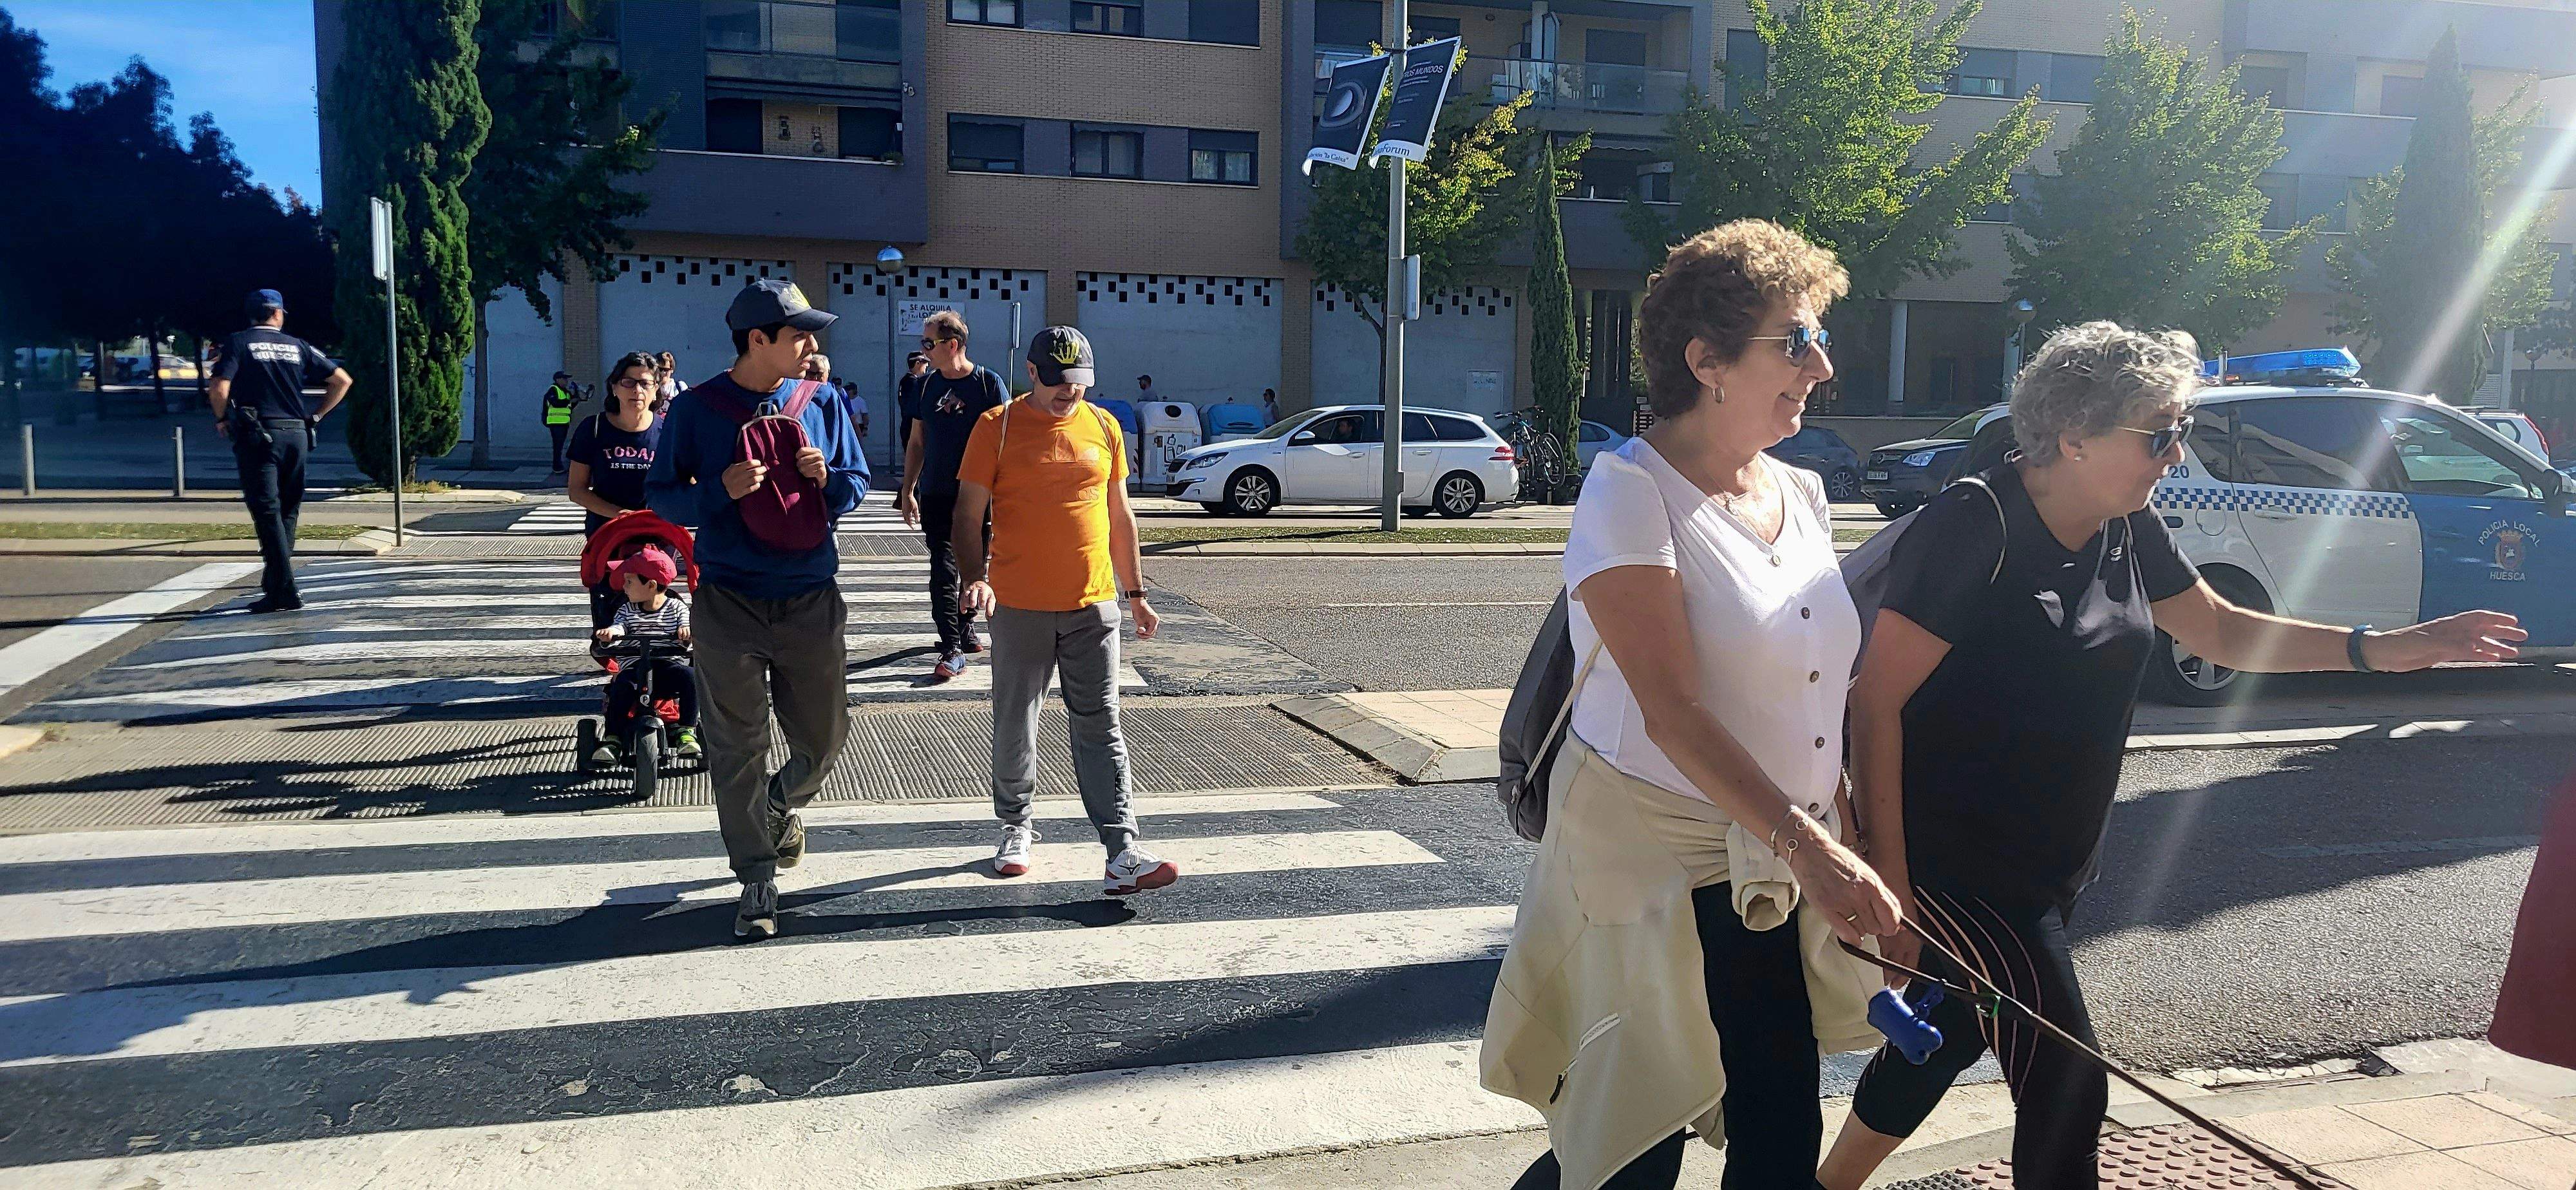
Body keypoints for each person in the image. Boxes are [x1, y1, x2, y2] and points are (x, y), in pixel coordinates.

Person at [1818, 322, 2524, 1190]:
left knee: (1949, 1035)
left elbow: (2220, 629)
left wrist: (2391, 647)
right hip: (1961, 868)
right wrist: (1890, 880)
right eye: (2160, 434)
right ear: (2073, 438)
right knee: (2069, 1084)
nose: (2176, 451)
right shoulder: (1978, 523)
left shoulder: (2123, 518)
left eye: (2179, 429)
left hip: (2051, 863)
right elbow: (1875, 699)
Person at [1481, 220, 1900, 1190]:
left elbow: (1807, 684)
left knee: (1779, 1132)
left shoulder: (1802, 491)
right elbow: (1671, 710)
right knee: (1630, 1143)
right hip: (1654, 863)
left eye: (1818, 338)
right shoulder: (1629, 488)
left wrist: (1846, 827)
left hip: (1767, 862)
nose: (1823, 365)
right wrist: (1817, 847)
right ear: (1706, 359)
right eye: (1795, 341)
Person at [645, 278, 869, 941]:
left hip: (809, 596)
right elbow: (662, 495)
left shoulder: (821, 400)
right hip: (729, 600)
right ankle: (756, 878)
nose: (811, 344)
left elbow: (857, 483)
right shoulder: (699, 409)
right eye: (798, 333)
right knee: (737, 747)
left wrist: (829, 480)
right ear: (757, 340)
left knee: (825, 739)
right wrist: (719, 490)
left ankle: (781, 802)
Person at [956, 326, 1178, 896]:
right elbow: (966, 512)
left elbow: (1120, 515)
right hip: (1021, 605)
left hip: (1094, 604)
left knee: (1101, 725)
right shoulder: (997, 427)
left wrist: (1136, 594)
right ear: (1031, 373)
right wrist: (976, 578)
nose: (1068, 393)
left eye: (1078, 382)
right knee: (1016, 719)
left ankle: (1121, 848)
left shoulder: (1103, 426)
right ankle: (1015, 825)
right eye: (1057, 382)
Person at [208, 288, 354, 614]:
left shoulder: (239, 342)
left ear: (252, 315)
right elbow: (342, 381)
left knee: (267, 512)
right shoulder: (297, 345)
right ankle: (276, 587)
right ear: (278, 313)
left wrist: (221, 419)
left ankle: (285, 589)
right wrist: (315, 417)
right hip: (297, 435)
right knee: (288, 511)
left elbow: (219, 386)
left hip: (259, 435)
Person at [898, 310, 1007, 681]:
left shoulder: (988, 384)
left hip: (979, 495)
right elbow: (917, 441)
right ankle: (951, 645)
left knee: (973, 566)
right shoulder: (924, 387)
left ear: (953, 345)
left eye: (929, 344)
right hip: (938, 492)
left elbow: (1008, 443)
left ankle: (965, 624)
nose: (924, 351)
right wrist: (908, 489)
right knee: (943, 566)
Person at [569, 352, 667, 628]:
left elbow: (687, 481)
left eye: (645, 383)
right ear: (614, 387)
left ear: (656, 389)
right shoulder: (594, 429)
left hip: (656, 536)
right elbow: (577, 490)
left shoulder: (668, 431)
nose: (637, 390)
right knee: (609, 607)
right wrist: (618, 515)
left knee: (654, 610)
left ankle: (650, 664)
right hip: (607, 534)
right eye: (628, 382)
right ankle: (617, 663)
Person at [589, 545, 699, 762]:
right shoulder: (627, 610)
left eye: (629, 581)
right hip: (635, 668)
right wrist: (611, 633)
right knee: (620, 687)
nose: (624, 586)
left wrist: (686, 632)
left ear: (651, 585)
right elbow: (620, 626)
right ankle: (613, 737)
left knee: (690, 677)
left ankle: (687, 730)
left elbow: (685, 625)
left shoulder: (676, 608)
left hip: (667, 668)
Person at [543, 372, 579, 473]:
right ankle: (557, 467)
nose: (566, 381)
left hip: (563, 423)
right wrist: (569, 401)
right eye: (564, 379)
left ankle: (558, 465)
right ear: (558, 379)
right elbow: (555, 403)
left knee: (560, 445)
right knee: (558, 445)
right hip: (555, 423)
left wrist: (576, 397)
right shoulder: (553, 390)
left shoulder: (565, 392)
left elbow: (569, 407)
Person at [896, 350, 930, 453]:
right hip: (913, 428)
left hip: (907, 425)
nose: (927, 366)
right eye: (925, 363)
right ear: (918, 363)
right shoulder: (914, 383)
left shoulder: (905, 381)